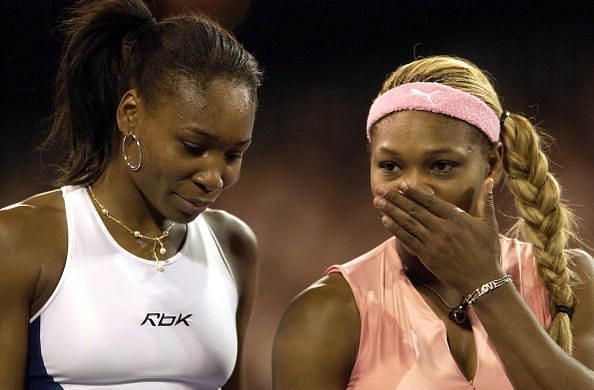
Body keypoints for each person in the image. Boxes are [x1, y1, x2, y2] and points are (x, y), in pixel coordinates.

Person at [272, 55, 594, 389]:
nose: (412, 187)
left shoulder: (570, 283)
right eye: (391, 166)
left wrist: (485, 281)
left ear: (492, 165)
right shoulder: (326, 314)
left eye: (441, 165)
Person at [0, 0, 262, 388]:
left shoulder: (234, 247)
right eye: (193, 146)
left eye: (233, 154)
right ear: (130, 113)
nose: (214, 176)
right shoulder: (20, 241)